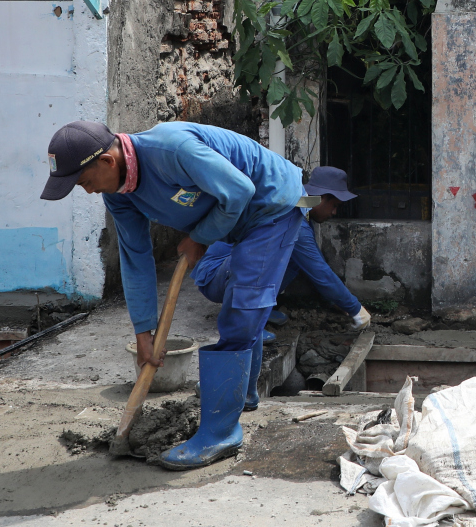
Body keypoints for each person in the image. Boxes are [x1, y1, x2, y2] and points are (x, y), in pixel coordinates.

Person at [40, 119, 305, 470]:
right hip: (229, 213)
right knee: (240, 297)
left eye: (84, 182)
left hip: (270, 205)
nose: (87, 191)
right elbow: (135, 258)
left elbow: (240, 190)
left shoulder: (171, 149)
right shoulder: (118, 196)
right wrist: (143, 331)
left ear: (107, 162)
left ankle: (220, 432)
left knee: (243, 304)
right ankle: (244, 396)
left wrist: (200, 238)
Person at [193, 166, 371, 333]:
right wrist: (355, 309)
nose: (334, 213)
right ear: (321, 197)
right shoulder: (292, 216)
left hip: (225, 272)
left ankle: (257, 309)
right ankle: (243, 321)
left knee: (293, 259)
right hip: (213, 275)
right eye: (335, 205)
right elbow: (319, 270)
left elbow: (314, 262)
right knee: (267, 254)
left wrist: (335, 299)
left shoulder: (297, 210)